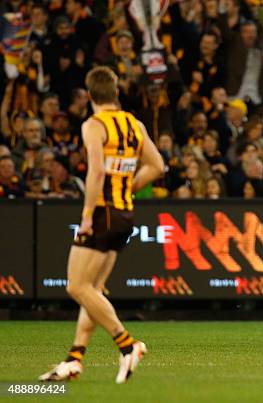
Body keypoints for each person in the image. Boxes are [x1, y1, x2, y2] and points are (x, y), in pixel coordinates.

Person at [39, 66, 164, 382]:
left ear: (90, 95)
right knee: (92, 290)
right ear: (116, 92)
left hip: (102, 212)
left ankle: (127, 345)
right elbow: (157, 166)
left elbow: (95, 172)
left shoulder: (94, 125)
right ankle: (74, 359)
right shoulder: (133, 123)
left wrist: (85, 218)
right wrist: (128, 186)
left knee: (76, 286)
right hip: (125, 213)